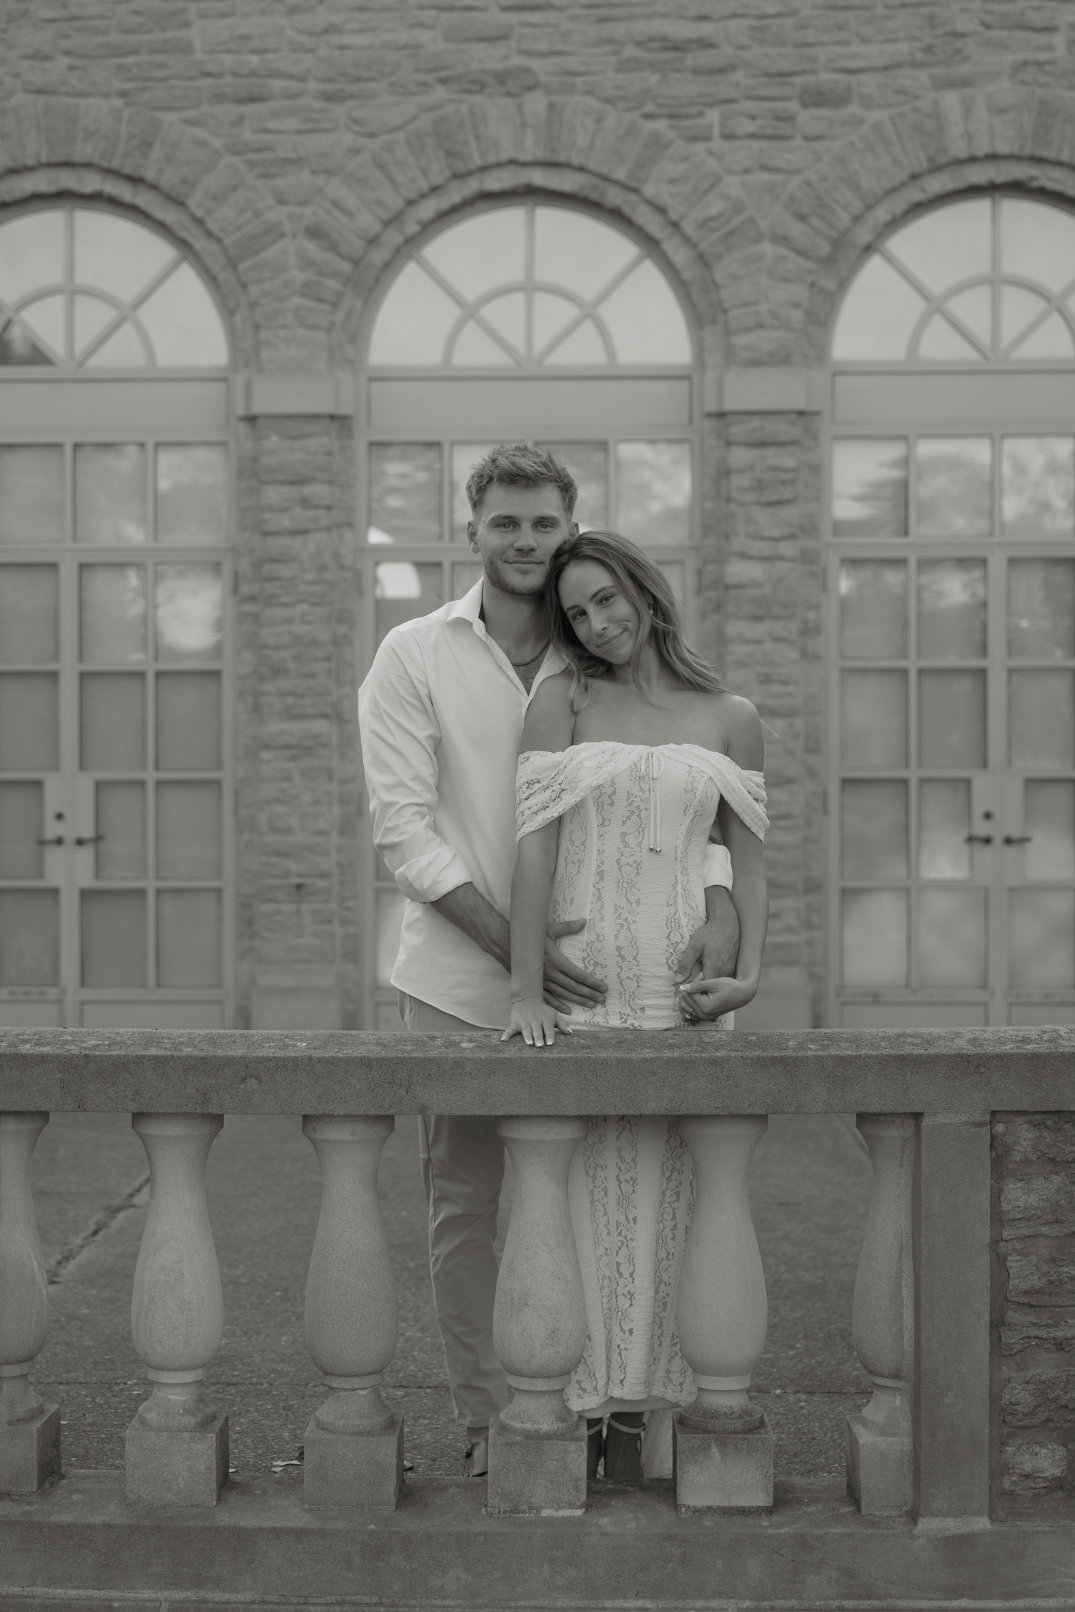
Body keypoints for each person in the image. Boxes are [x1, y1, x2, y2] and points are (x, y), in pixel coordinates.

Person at [358, 444, 740, 1481]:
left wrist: (718, 908)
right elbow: (401, 829)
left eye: (541, 525)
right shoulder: (412, 654)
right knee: (469, 1207)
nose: (523, 542)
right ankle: (496, 1419)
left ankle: (603, 1404)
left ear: (567, 528)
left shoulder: (604, 652)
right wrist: (511, 945)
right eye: (504, 524)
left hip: (609, 985)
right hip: (456, 976)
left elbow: (686, 796)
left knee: (603, 1198)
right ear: (472, 528)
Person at [503, 529, 768, 1482]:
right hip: (586, 990)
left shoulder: (730, 715)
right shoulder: (561, 699)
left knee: (677, 1202)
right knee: (574, 1200)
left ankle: (653, 1434)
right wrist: (526, 982)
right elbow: (532, 845)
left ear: (644, 594)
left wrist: (747, 962)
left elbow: (741, 852)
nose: (597, 622)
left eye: (607, 599)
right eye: (576, 612)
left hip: (685, 996)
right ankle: (568, 1424)